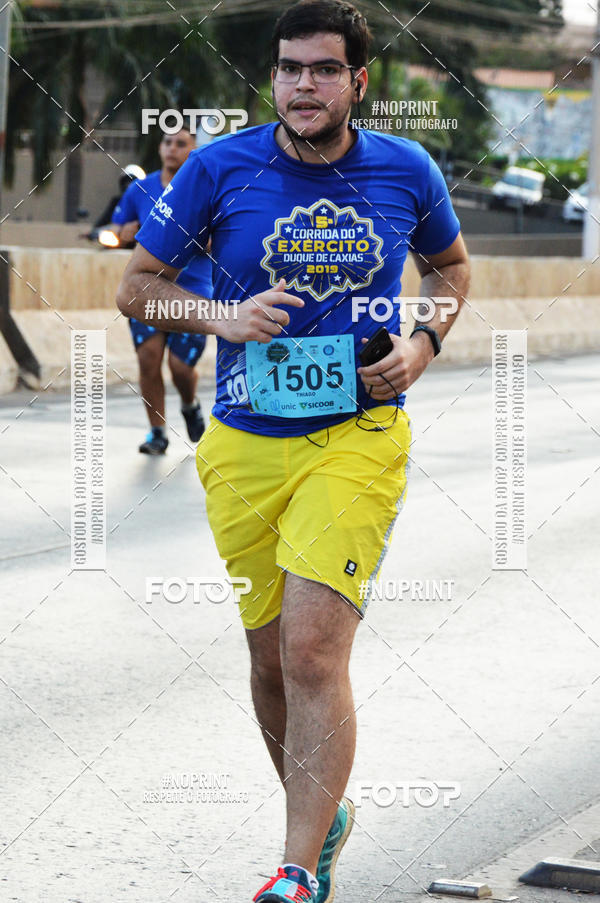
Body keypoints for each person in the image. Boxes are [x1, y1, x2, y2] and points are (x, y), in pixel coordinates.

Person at [116, 1, 470, 898]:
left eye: (321, 69)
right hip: (241, 442)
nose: (301, 85)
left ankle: (296, 870)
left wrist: (423, 344)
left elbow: (453, 269)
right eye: (287, 69)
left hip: (355, 437)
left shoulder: (406, 167)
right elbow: (136, 287)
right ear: (271, 77)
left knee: (314, 651)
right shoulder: (217, 169)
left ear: (359, 80)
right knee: (269, 659)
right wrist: (221, 315)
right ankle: (324, 814)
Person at [112, 128, 211, 454]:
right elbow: (117, 229)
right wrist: (123, 233)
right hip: (148, 289)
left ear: (193, 150)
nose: (172, 148)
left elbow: (217, 241)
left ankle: (189, 404)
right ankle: (157, 432)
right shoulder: (140, 189)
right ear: (159, 148)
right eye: (168, 142)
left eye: (181, 143)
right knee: (148, 359)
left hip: (193, 292)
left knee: (181, 368)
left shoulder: (205, 187)